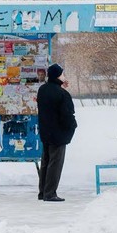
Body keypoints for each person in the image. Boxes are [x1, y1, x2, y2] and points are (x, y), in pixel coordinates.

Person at [36, 63, 77, 202]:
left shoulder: (42, 90)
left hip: (45, 131)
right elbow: (67, 114)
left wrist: (61, 87)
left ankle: (42, 192)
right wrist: (73, 126)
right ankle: (50, 193)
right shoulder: (62, 94)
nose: (64, 76)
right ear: (58, 75)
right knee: (55, 163)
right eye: (62, 73)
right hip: (58, 133)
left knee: (45, 161)